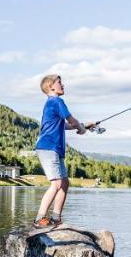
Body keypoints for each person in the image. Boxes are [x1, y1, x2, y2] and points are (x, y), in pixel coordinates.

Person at [31, 74, 97, 230]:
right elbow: (71, 120)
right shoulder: (57, 101)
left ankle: (56, 218)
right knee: (56, 183)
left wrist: (83, 125)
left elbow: (66, 125)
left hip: (55, 149)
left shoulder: (50, 104)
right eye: (60, 83)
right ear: (51, 87)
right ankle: (39, 218)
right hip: (48, 148)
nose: (63, 85)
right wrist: (80, 128)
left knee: (65, 183)